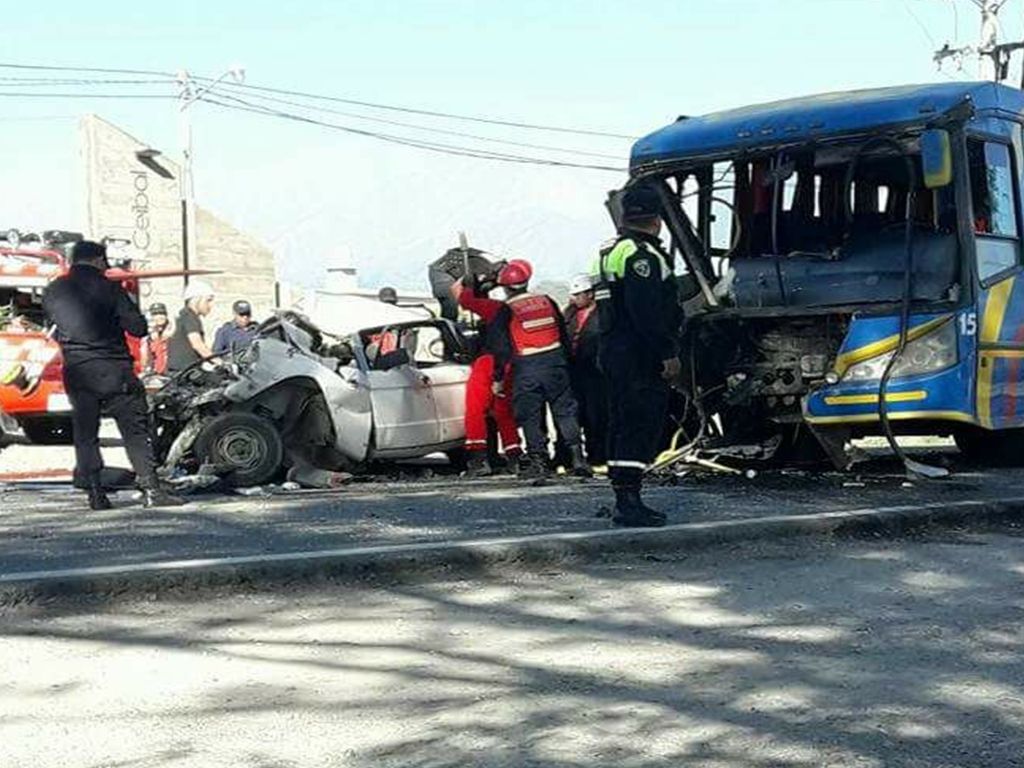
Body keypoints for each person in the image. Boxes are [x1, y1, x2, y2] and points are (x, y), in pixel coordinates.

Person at [41, 241, 183, 510]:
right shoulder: (110, 288)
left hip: (78, 371)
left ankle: (95, 493)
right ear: (98, 261)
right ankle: (152, 489)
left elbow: (53, 324)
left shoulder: (54, 290)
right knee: (135, 430)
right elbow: (138, 328)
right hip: (114, 369)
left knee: (85, 433)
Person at [592, 184, 681, 527]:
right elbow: (647, 312)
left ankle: (624, 495)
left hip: (614, 349)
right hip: (639, 354)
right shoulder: (642, 255)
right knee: (639, 423)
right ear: (657, 220)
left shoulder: (609, 250)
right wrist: (667, 352)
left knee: (621, 422)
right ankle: (629, 502)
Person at [489, 259, 591, 480]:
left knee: (530, 416)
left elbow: (501, 350)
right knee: (565, 412)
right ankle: (577, 458)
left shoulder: (506, 311)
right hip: (556, 364)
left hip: (527, 367)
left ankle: (539, 462)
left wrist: (497, 378)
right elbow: (563, 334)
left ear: (505, 288)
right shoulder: (547, 301)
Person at [450, 272, 522, 477]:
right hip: (510, 363)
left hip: (489, 361)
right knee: (503, 412)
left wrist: (468, 281)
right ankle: (514, 457)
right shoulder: (519, 309)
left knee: (475, 410)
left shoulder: (496, 308)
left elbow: (464, 298)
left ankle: (478, 460)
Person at [564, 273, 607, 467]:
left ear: (590, 294)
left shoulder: (603, 314)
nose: (574, 299)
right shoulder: (569, 313)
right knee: (576, 414)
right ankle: (573, 457)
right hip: (574, 370)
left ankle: (599, 454)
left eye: (578, 295)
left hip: (595, 372)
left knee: (596, 414)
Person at [167, 280, 215, 373]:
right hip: (187, 373)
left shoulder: (183, 315)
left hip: (180, 371)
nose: (210, 305)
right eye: (208, 300)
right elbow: (198, 345)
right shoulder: (190, 317)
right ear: (197, 300)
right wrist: (220, 362)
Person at [140, 303, 171, 375]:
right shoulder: (148, 338)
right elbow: (144, 359)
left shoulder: (172, 333)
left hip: (170, 372)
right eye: (155, 314)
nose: (159, 317)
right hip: (154, 373)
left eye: (161, 313)